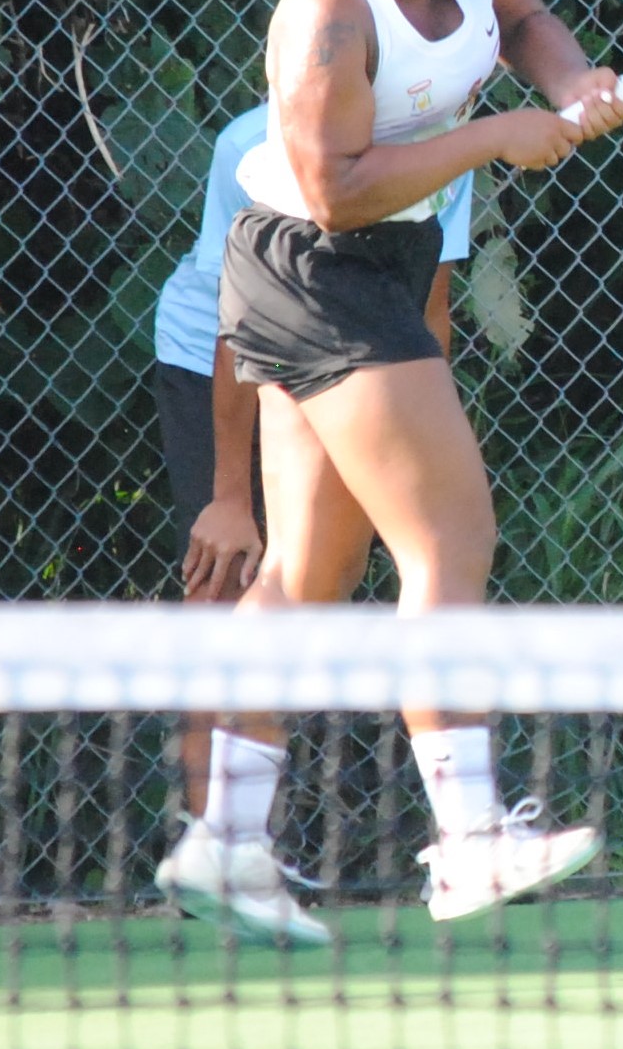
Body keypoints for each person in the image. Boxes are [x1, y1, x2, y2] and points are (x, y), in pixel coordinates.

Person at [155, 0, 623, 946]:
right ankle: (469, 841)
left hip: (374, 263)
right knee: (451, 536)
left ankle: (224, 844)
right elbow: (329, 185)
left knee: (311, 572)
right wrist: (498, 139)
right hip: (314, 271)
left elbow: (525, 24)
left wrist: (569, 81)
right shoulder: (326, 10)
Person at [149, 102, 473, 864]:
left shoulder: (446, 146)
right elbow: (238, 322)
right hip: (218, 354)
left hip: (356, 345)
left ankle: (245, 842)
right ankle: (219, 849)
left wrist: (422, 436)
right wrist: (229, 497)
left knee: (327, 571)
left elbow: (429, 306)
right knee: (223, 586)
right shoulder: (251, 147)